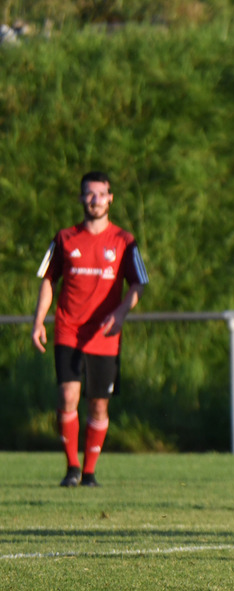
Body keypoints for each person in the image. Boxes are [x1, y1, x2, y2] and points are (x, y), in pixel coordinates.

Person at [31, 171, 149, 487]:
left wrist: (122, 313)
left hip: (104, 335)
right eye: (89, 193)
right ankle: (72, 467)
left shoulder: (124, 241)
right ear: (81, 197)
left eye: (101, 193)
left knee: (98, 403)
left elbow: (139, 283)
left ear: (111, 198)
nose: (95, 199)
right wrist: (39, 320)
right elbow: (47, 279)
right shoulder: (64, 238)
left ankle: (89, 472)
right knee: (68, 395)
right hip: (68, 329)